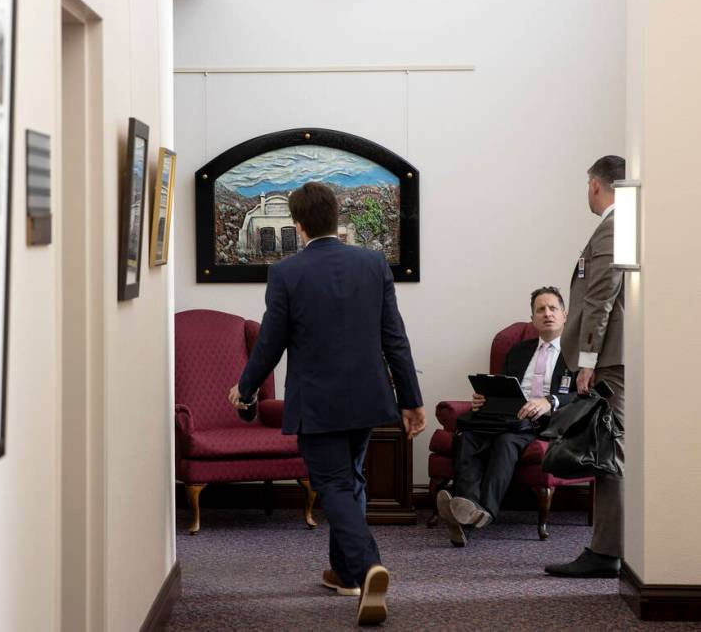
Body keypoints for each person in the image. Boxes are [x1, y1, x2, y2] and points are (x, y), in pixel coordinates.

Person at [227, 182, 426, 626]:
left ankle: (367, 566)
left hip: (318, 403)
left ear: (298, 226)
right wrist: (411, 399)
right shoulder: (373, 264)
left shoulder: (286, 273)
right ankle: (343, 572)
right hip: (369, 398)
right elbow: (395, 338)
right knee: (351, 479)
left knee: (335, 485)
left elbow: (269, 345)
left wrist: (244, 387)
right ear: (335, 217)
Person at [436, 287, 577, 547]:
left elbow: (584, 396)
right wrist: (485, 398)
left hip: (543, 420)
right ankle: (466, 507)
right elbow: (503, 384)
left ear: (564, 314)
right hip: (506, 415)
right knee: (467, 436)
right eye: (540, 310)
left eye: (552, 308)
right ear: (533, 318)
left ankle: (484, 511)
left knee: (506, 441)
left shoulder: (577, 353)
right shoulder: (519, 350)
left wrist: (549, 401)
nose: (547, 314)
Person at [545, 155, 627, 578]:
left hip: (610, 359)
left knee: (610, 452)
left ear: (596, 184)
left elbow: (602, 296)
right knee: (609, 450)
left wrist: (589, 360)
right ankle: (607, 547)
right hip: (610, 357)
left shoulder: (615, 225)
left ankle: (607, 551)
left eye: (587, 185)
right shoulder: (621, 223)